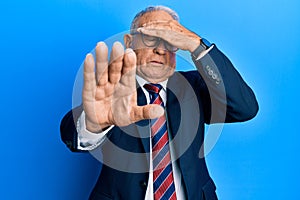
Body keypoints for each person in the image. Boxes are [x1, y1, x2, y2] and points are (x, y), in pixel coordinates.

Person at [60, 5, 259, 200]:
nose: (160, 50)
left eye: (170, 41)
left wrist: (197, 45)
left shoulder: (194, 86)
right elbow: (72, 134)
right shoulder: (114, 90)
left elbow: (244, 108)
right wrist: (95, 124)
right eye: (150, 38)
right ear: (129, 42)